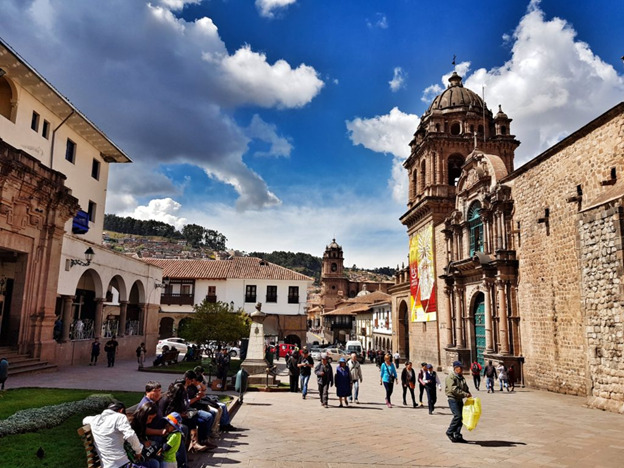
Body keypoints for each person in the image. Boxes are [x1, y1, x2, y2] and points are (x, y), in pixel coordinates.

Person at [82, 401, 144, 468]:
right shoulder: (120, 417)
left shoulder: (94, 419)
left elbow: (84, 420)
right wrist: (138, 451)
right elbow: (130, 435)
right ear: (121, 410)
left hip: (107, 466)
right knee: (153, 463)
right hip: (122, 464)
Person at [445, 361, 471, 443]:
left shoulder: (461, 377)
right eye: (461, 368)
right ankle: (449, 432)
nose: (462, 370)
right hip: (453, 399)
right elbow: (453, 389)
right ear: (456, 368)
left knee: (462, 417)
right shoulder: (451, 377)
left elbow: (465, 386)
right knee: (458, 416)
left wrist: (468, 392)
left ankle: (457, 434)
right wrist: (464, 394)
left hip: (459, 399)